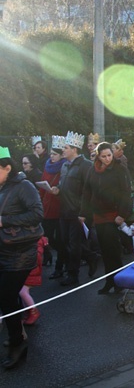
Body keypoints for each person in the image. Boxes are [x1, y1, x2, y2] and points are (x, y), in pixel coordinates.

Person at [0, 146, 44, 369]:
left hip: (21, 252)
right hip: (3, 250)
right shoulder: (2, 186)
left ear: (8, 168)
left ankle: (18, 344)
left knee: (6, 297)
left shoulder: (24, 186)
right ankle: (17, 334)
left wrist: (4, 221)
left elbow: (37, 214)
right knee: (8, 298)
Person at [80, 142, 132, 294]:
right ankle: (109, 281)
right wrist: (83, 213)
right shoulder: (93, 170)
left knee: (114, 251)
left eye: (109, 155)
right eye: (104, 156)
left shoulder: (120, 169)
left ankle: (118, 282)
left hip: (113, 214)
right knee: (105, 250)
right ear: (98, 156)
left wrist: (122, 214)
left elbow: (126, 192)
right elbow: (87, 192)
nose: (107, 158)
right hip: (99, 214)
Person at [51, 132, 98, 286]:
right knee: (64, 242)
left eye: (65, 147)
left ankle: (73, 274)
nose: (62, 150)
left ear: (74, 149)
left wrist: (84, 212)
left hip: (77, 211)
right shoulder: (65, 165)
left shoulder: (86, 166)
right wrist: (57, 189)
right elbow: (64, 184)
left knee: (74, 244)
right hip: (64, 210)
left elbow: (90, 190)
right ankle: (90, 257)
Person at [41, 136, 66, 276]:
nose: (52, 156)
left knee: (61, 239)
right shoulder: (47, 166)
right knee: (47, 236)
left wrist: (58, 189)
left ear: (61, 155)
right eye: (51, 154)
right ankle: (51, 255)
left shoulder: (64, 166)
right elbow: (42, 184)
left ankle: (59, 266)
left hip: (59, 206)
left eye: (55, 154)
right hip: (46, 206)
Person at [19, 236, 47, 326]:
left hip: (30, 270)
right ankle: (28, 311)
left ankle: (33, 311)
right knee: (22, 291)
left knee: (23, 292)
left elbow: (36, 257)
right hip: (27, 269)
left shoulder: (34, 242)